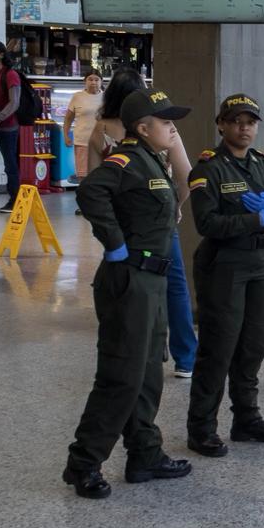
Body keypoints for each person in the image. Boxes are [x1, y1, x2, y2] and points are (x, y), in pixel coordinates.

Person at [63, 88, 195, 499]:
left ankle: (145, 454)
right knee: (121, 377)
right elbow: (91, 191)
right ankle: (84, 463)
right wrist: (115, 244)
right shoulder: (127, 159)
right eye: (166, 123)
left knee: (148, 373)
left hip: (152, 281)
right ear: (143, 127)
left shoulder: (152, 158)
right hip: (131, 280)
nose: (173, 129)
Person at [185, 94, 264, 457]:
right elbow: (206, 223)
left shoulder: (262, 165)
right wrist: (255, 219)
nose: (244, 128)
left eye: (250, 121)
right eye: (236, 121)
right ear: (221, 124)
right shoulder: (208, 168)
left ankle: (246, 419)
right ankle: (201, 428)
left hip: (261, 263)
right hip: (225, 267)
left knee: (253, 346)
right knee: (218, 349)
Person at [89, 69, 199, 378]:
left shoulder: (101, 130)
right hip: (158, 226)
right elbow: (186, 176)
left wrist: (109, 230)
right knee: (174, 284)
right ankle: (185, 357)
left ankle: (136, 349)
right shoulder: (162, 128)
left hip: (121, 228)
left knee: (125, 284)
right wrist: (174, 208)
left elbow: (91, 181)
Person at [64, 70, 103, 189]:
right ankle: (84, 201)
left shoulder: (106, 97)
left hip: (101, 143)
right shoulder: (77, 96)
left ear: (101, 82)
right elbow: (68, 119)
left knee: (100, 174)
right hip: (82, 141)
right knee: (83, 175)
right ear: (85, 82)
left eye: (96, 80)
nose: (93, 82)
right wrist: (66, 135)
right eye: (90, 79)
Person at [0, 41, 21, 213]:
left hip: (7, 128)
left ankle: (14, 200)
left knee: (10, 165)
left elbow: (14, 103)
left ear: (1, 54)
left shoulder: (10, 74)